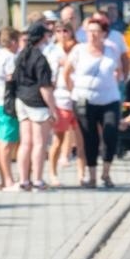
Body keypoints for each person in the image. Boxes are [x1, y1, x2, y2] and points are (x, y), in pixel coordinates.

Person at [69, 16, 123, 187]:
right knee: (89, 137)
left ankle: (106, 173)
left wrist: (116, 79)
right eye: (89, 31)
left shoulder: (112, 49)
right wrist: (75, 92)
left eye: (96, 31)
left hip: (109, 99)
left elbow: (120, 69)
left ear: (104, 33)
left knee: (110, 133)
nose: (92, 35)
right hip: (85, 101)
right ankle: (92, 176)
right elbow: (67, 72)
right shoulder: (79, 50)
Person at [13, 22, 58, 191]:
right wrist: (53, 109)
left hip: (21, 100)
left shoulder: (21, 55)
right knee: (39, 143)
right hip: (37, 104)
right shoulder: (40, 58)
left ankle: (24, 180)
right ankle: (38, 180)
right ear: (41, 37)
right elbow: (45, 87)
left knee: (25, 143)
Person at [47, 24, 86, 188]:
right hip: (61, 97)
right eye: (58, 31)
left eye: (65, 31)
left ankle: (82, 174)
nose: (62, 34)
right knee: (58, 138)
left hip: (78, 94)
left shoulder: (79, 49)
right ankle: (52, 173)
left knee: (81, 138)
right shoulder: (52, 51)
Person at [0, 26, 20, 190]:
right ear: (13, 41)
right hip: (7, 103)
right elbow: (12, 79)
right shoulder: (9, 58)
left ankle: (5, 179)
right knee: (6, 143)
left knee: (3, 141)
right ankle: (8, 181)